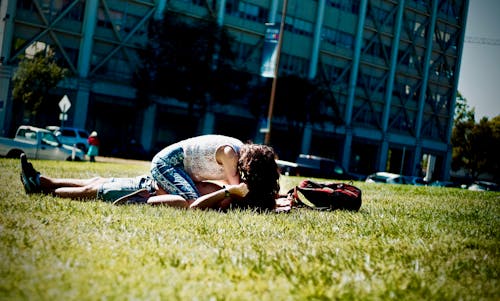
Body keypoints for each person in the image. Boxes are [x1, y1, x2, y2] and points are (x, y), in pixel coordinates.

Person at [18, 153, 251, 210]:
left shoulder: (212, 203)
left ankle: (41, 191)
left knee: (94, 190)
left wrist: (227, 193)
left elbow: (184, 204)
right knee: (97, 180)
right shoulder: (221, 195)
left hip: (142, 190)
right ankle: (40, 180)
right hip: (146, 181)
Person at [150, 134, 281, 211]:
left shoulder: (238, 152)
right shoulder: (230, 154)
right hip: (167, 164)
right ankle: (147, 200)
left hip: (182, 170)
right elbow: (237, 191)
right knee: (194, 203)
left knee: (210, 197)